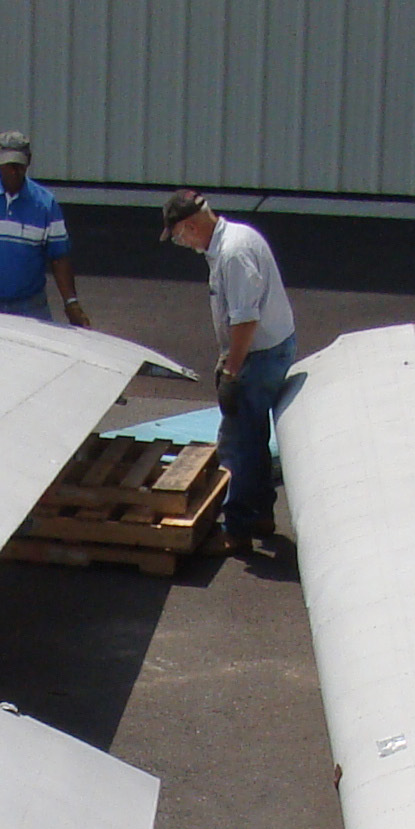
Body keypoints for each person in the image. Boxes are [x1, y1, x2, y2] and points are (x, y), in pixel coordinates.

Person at [160, 188, 297, 557]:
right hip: (265, 346)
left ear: (190, 225)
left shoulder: (233, 253)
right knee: (250, 434)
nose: (180, 243)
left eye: (178, 235)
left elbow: (246, 319)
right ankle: (262, 515)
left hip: (260, 353)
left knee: (238, 441)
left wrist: (232, 372)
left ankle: (238, 529)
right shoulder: (229, 241)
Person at [0, 131, 90, 325]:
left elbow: (59, 258)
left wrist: (71, 303)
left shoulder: (45, 204)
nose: (14, 171)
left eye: (19, 164)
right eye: (8, 164)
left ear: (29, 161)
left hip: (30, 306)